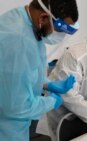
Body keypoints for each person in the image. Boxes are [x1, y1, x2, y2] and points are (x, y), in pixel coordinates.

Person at [0, 0, 78, 140]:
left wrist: (45, 83)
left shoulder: (26, 21)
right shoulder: (19, 40)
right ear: (42, 17)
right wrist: (51, 102)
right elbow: (17, 107)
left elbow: (19, 73)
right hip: (7, 129)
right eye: (60, 30)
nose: (61, 36)